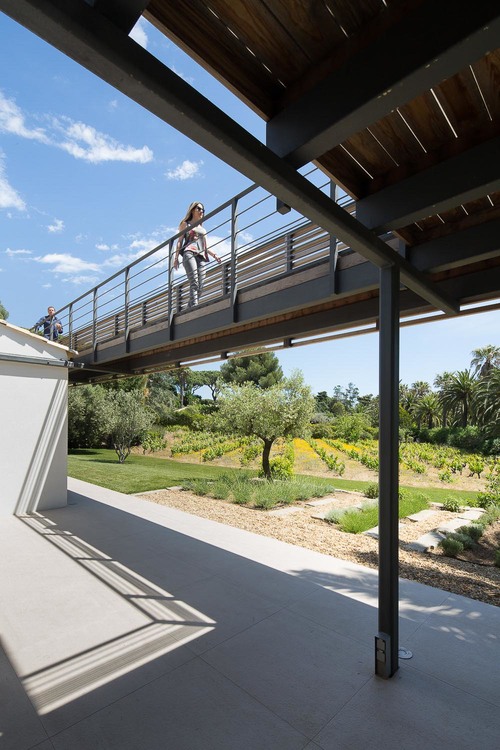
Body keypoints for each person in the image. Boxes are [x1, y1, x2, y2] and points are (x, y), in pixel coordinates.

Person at [173, 201, 221, 307]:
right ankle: (194, 307)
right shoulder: (186, 224)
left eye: (202, 210)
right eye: (198, 209)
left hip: (201, 256)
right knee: (194, 281)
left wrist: (215, 255)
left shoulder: (203, 229)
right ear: (192, 210)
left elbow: (205, 246)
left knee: (200, 285)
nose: (201, 211)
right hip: (189, 253)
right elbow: (179, 241)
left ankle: (189, 308)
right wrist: (176, 258)